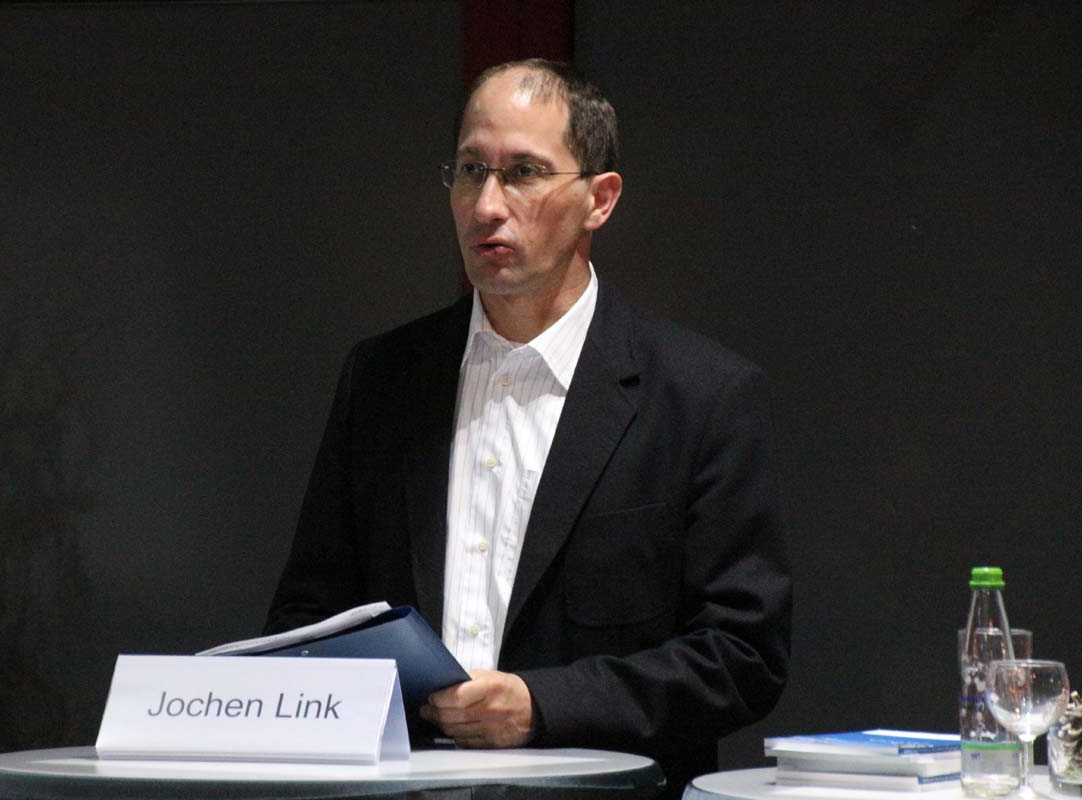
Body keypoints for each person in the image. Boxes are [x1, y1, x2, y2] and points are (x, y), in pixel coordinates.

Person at [266, 59, 792, 797]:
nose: (487, 205)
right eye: (470, 171)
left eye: (523, 173)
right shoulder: (383, 379)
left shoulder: (701, 396)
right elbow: (306, 619)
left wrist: (541, 707)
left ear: (599, 199)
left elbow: (742, 656)